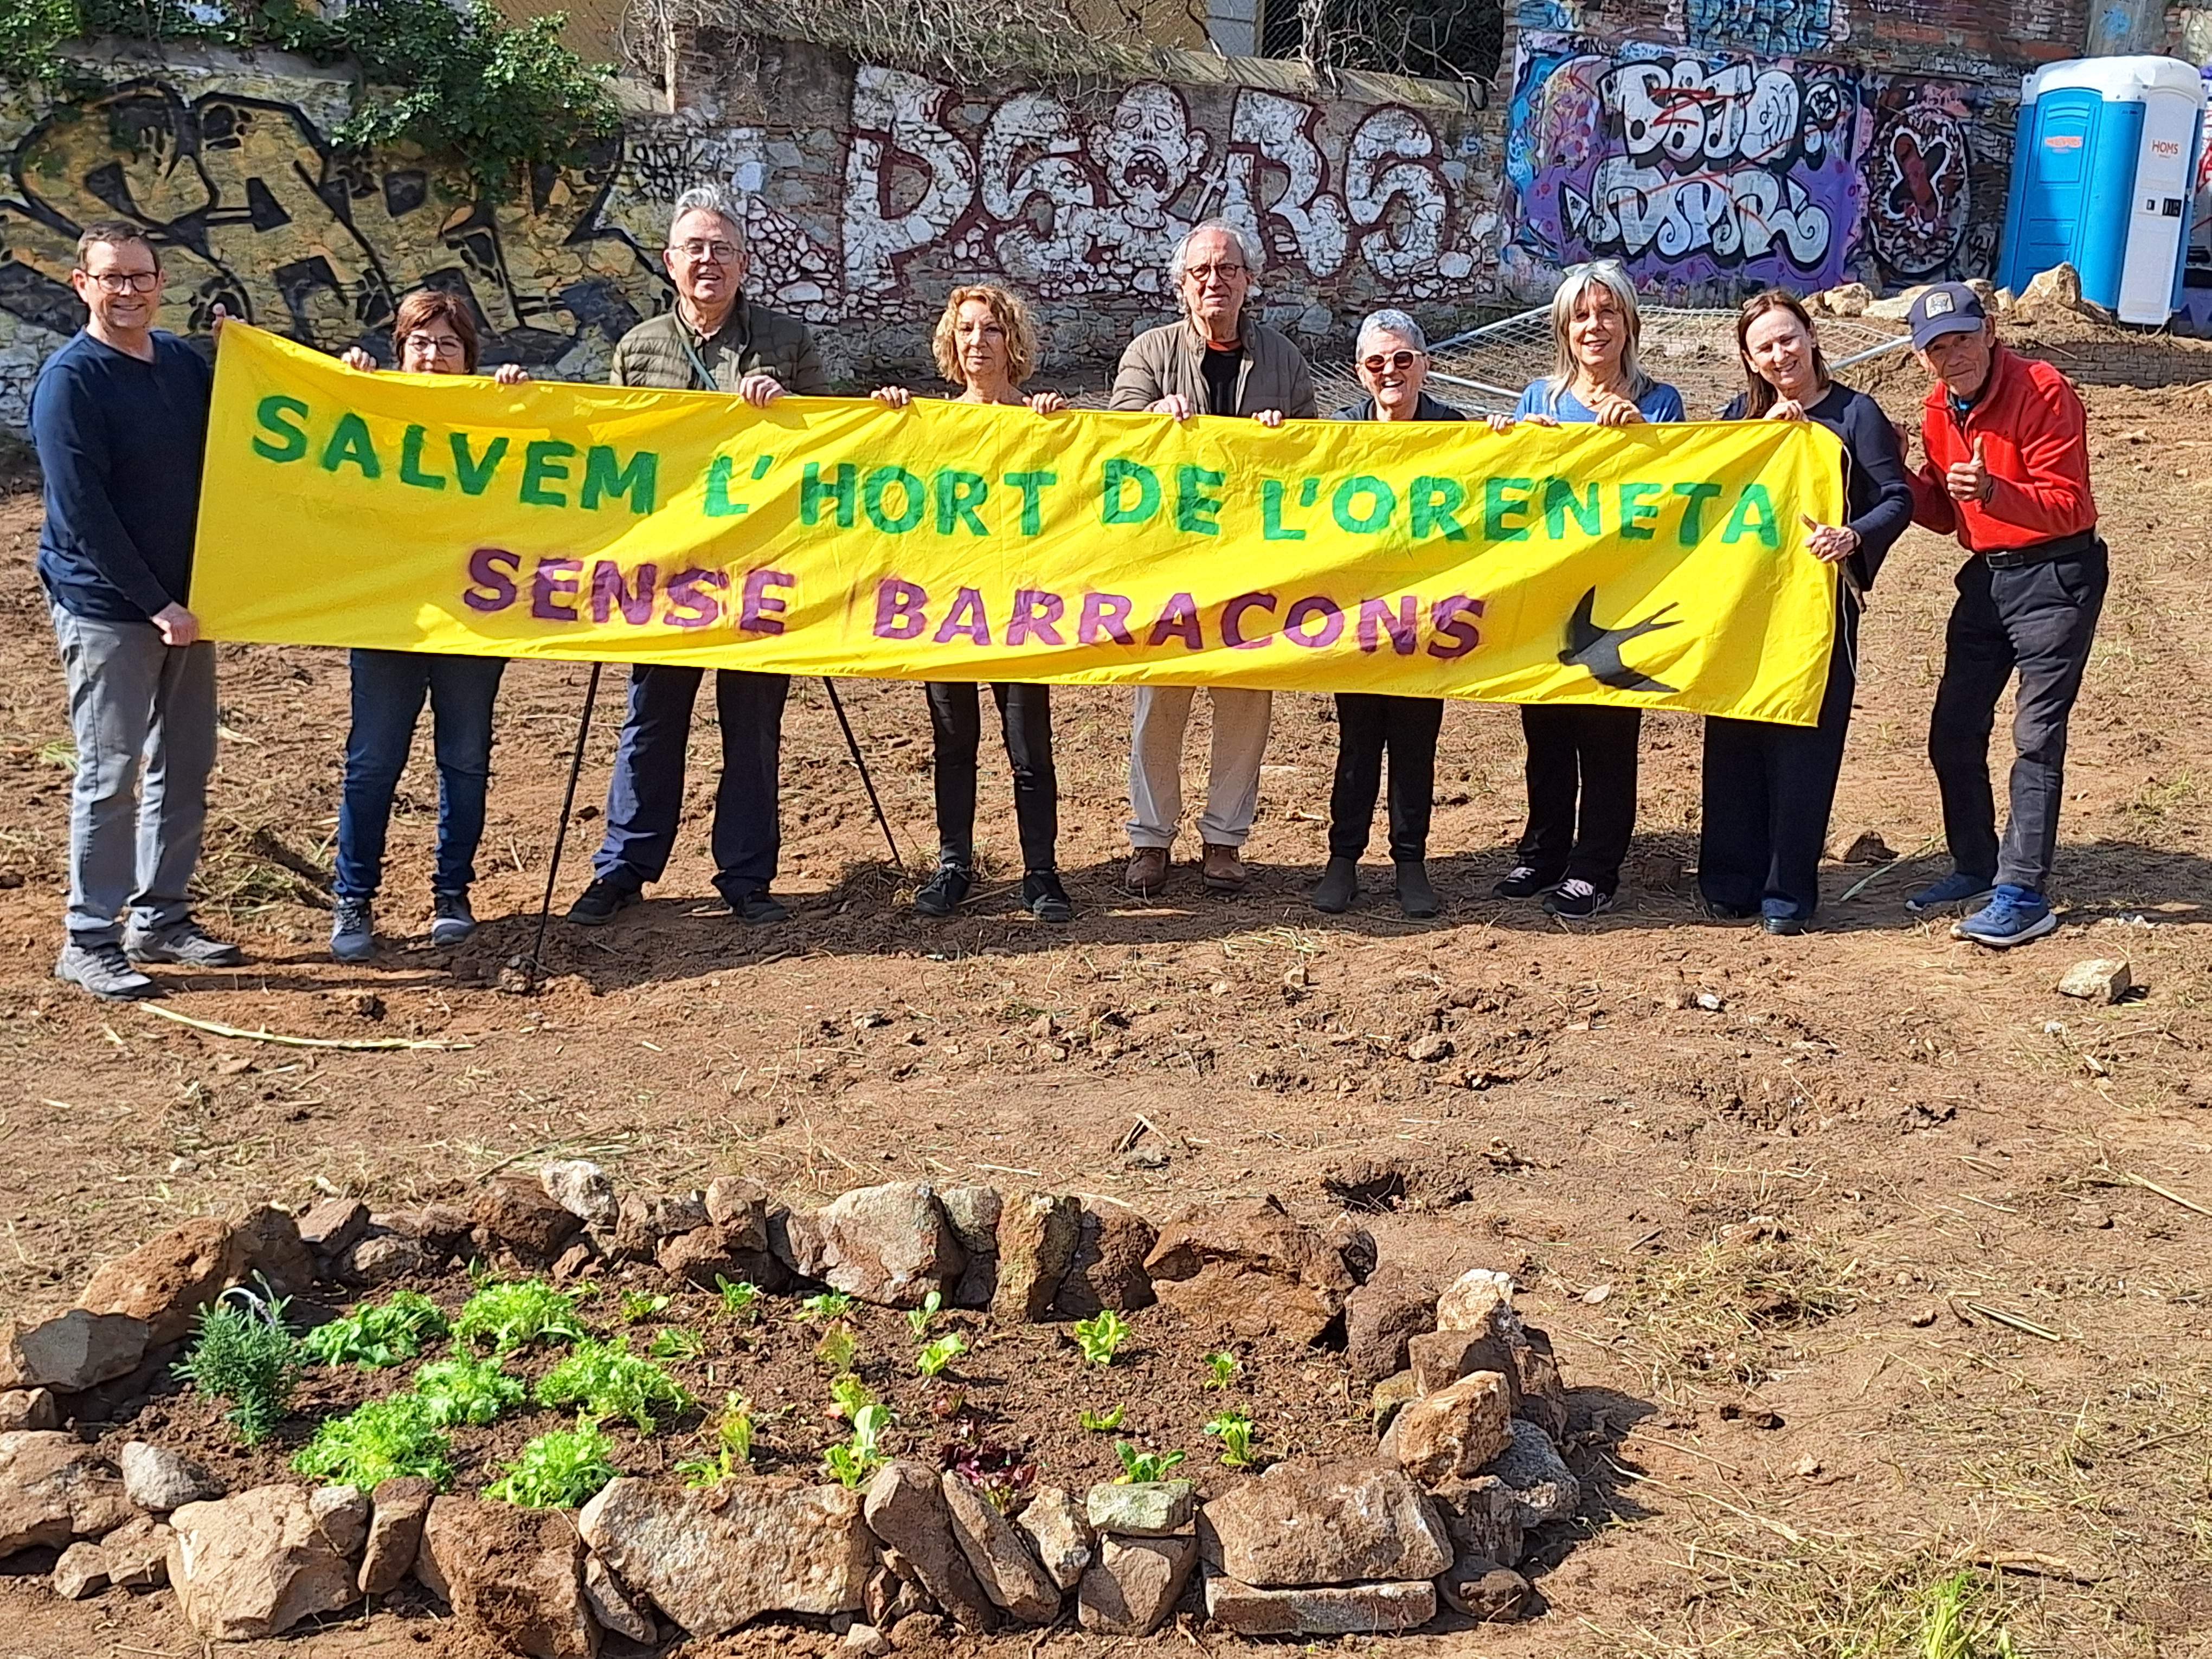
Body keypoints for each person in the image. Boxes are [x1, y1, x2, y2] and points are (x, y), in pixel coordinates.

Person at [566, 185, 828, 929]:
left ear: (745, 264)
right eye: (695, 249)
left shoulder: (787, 340)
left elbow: (834, 449)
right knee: (651, 720)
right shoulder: (638, 348)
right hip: (666, 574)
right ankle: (623, 870)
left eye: (722, 249)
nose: (708, 261)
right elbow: (617, 462)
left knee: (752, 727)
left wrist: (792, 412)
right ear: (670, 263)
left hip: (760, 569)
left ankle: (745, 875)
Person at [31, 221, 242, 1000]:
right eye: (112, 278)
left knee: (186, 766)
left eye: (141, 277)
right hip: (111, 609)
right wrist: (155, 603)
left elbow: (260, 428)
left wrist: (273, 362)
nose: (128, 292)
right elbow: (81, 510)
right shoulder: (72, 381)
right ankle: (88, 937)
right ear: (81, 284)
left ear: (161, 284)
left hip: (190, 603)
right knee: (111, 772)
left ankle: (159, 916)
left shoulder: (182, 363)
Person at [1109, 218, 1317, 897]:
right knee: (1159, 704)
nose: (1214, 282)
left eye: (1228, 269)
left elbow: (1321, 457)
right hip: (1170, 563)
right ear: (1181, 285)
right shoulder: (1148, 351)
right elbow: (1112, 440)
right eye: (1201, 271)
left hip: (1255, 565)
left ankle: (1225, 840)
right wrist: (1150, 425)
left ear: (1249, 281)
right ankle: (1150, 840)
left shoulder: (1284, 359)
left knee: (1245, 704)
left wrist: (1286, 443)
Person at [326, 292, 530, 961]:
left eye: (448, 345)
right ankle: (353, 900)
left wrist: (521, 407)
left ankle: (452, 893)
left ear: (469, 357)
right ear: (400, 350)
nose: (434, 357)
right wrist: (343, 385)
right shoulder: (374, 408)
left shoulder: (496, 418)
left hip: (472, 620)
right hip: (390, 619)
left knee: (465, 762)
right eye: (420, 343)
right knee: (372, 764)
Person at [1702, 289, 1913, 935]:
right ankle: (1729, 883)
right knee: (1735, 738)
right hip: (1744, 607)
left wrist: (1853, 535)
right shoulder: (1739, 417)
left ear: (1812, 336)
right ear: (1748, 357)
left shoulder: (1858, 413)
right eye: (1764, 346)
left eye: (1788, 338)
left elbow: (1897, 499)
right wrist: (1760, 439)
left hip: (1820, 610)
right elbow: (1705, 491)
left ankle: (1787, 893)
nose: (1779, 354)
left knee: (1803, 747)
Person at [1898, 282, 2101, 948]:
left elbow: (2070, 506)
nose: (1951, 356)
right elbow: (1945, 515)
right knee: (1953, 731)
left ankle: (2023, 894)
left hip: (2057, 571)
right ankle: (1975, 866)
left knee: (2036, 737)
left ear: (1989, 330)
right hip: (1988, 577)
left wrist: (1994, 490)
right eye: (1936, 347)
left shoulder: (2043, 389)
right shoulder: (1937, 406)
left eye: (1960, 338)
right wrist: (1902, 476)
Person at [1487, 260, 1684, 918]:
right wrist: (1505, 445)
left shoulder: (1661, 402)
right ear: (1563, 330)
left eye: (1607, 314)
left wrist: (1647, 444)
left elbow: (1686, 493)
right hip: (1546, 596)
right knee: (1544, 729)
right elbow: (1507, 493)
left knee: (1606, 734)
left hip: (1620, 595)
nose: (1594, 327)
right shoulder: (1537, 400)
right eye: (1581, 316)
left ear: (1629, 324)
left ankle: (1596, 867)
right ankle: (1541, 852)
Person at [871, 286, 1075, 923]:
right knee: (954, 743)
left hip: (1020, 611)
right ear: (950, 344)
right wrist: (889, 420)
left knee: (1028, 748)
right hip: (948, 607)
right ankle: (953, 865)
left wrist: (1059, 430)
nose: (977, 342)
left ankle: (1041, 874)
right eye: (965, 331)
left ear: (1011, 342)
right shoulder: (929, 423)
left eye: (989, 330)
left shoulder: (1041, 421)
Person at [1312, 308, 1462, 921]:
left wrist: (1512, 438)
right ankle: (1343, 860)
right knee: (1356, 741)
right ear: (1360, 373)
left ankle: (1411, 861)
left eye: (1403, 359)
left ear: (1423, 365)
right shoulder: (1340, 432)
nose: (1391, 372)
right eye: (1377, 363)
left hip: (1427, 612)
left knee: (1416, 740)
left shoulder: (1455, 431)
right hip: (1359, 612)